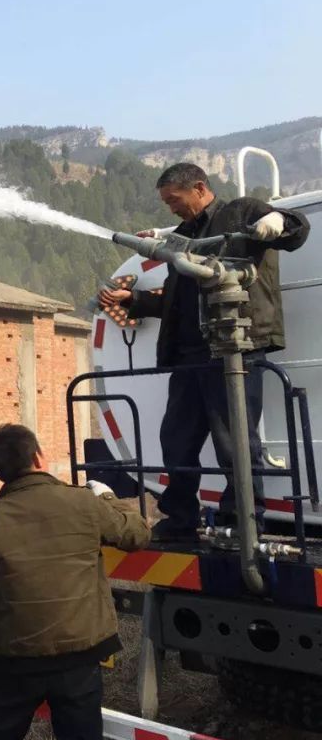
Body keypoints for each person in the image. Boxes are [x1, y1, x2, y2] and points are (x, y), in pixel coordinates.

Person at [98, 163, 310, 540]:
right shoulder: (181, 237)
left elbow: (297, 230)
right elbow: (179, 299)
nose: (171, 209)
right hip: (189, 358)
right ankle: (180, 519)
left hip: (235, 352)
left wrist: (279, 222)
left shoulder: (243, 213)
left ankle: (243, 522)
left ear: (199, 188)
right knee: (176, 440)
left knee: (235, 443)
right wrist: (136, 300)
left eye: (174, 200)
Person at [0, 423, 150, 740]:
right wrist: (108, 497)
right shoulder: (84, 503)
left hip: (16, 660)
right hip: (80, 656)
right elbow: (137, 535)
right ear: (39, 457)